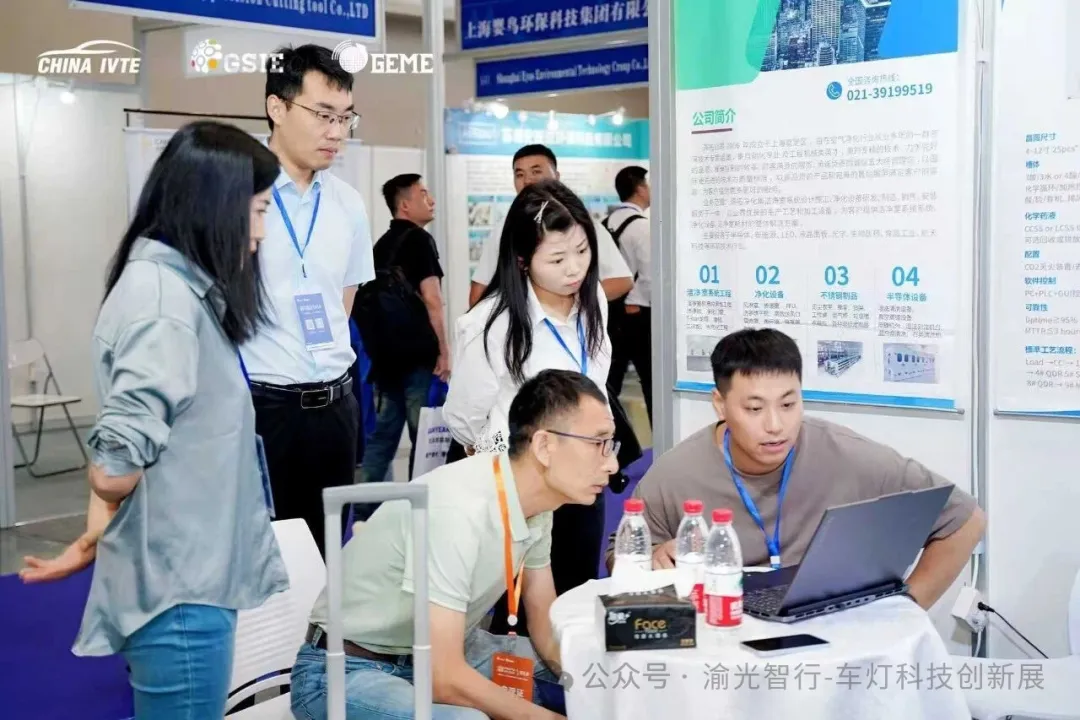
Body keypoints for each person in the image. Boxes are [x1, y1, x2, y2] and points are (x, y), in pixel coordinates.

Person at [19, 121, 289, 718]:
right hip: (181, 587)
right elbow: (116, 465)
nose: (260, 232)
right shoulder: (165, 302)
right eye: (258, 211)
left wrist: (96, 533)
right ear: (215, 207)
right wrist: (109, 498)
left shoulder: (167, 289)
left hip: (182, 573)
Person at [290, 369, 618, 720]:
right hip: (347, 669)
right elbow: (444, 679)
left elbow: (544, 629)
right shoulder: (458, 507)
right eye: (597, 444)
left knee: (605, 675)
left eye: (611, 445)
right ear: (544, 446)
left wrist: (587, 687)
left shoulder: (537, 503)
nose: (612, 465)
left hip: (449, 651)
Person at [614, 328, 986, 610]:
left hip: (828, 639)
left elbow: (966, 520)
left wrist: (907, 609)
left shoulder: (846, 455)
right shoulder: (677, 473)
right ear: (720, 404)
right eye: (754, 409)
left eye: (789, 405)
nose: (775, 425)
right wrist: (655, 555)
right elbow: (619, 553)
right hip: (725, 638)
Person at [443, 180, 613, 635]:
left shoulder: (593, 301)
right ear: (522, 260)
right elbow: (465, 417)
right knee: (514, 614)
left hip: (582, 478)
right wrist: (503, 462)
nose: (574, 269)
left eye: (582, 251)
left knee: (575, 594)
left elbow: (596, 379)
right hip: (522, 488)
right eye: (556, 259)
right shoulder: (492, 323)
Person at [242, 44, 375, 556]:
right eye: (323, 115)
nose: (336, 132)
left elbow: (344, 301)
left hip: (335, 409)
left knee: (324, 555)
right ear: (277, 108)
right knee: (262, 555)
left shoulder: (347, 202)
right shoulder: (236, 193)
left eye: (345, 118)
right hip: (260, 409)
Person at [354, 173, 447, 513]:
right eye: (423, 194)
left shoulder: (379, 246)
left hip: (384, 359)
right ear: (405, 205)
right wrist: (444, 351)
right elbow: (432, 299)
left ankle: (363, 514)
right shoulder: (420, 240)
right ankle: (423, 512)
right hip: (418, 356)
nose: (431, 200)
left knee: (382, 439)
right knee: (425, 439)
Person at [468, 144, 632, 309]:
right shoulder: (504, 227)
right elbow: (479, 288)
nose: (527, 180)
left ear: (556, 176)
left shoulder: (580, 223)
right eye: (520, 174)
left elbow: (622, 280)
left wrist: (570, 305)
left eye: (536, 171)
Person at [603, 165, 653, 425]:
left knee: (609, 382)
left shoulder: (605, 223)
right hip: (638, 315)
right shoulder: (642, 227)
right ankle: (661, 438)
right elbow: (650, 276)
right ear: (640, 189)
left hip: (611, 313)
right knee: (650, 381)